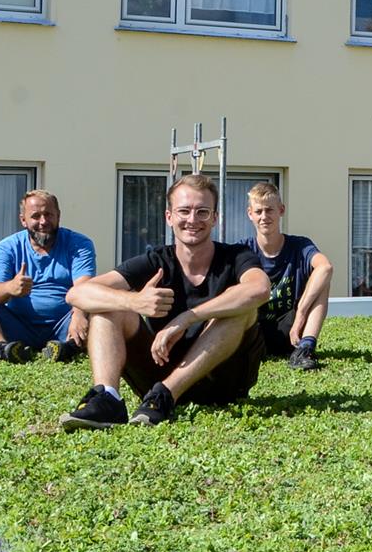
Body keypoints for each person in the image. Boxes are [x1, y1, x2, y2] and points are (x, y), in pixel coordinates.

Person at [58, 174, 270, 430]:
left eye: (203, 212)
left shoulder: (237, 257)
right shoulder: (156, 260)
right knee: (110, 306)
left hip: (222, 383)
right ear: (169, 217)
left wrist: (188, 317)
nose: (192, 220)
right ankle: (107, 398)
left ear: (215, 218)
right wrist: (134, 301)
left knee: (240, 311)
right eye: (184, 211)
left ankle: (168, 393)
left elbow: (259, 289)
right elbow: (77, 294)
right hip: (155, 386)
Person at [0, 189, 96, 363]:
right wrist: (11, 287)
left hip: (66, 323)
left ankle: (68, 347)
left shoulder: (79, 244)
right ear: (23, 220)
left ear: (58, 216)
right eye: (36, 216)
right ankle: (4, 348)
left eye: (48, 214)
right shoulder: (6, 248)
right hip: (19, 327)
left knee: (99, 308)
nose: (43, 221)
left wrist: (79, 314)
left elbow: (84, 287)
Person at [240, 182, 335, 371]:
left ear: (281, 210)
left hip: (293, 331)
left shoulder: (300, 246)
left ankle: (305, 350)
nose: (264, 217)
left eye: (270, 210)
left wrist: (300, 314)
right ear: (250, 214)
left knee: (322, 280)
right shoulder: (243, 250)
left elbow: (325, 267)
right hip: (254, 330)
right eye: (259, 211)